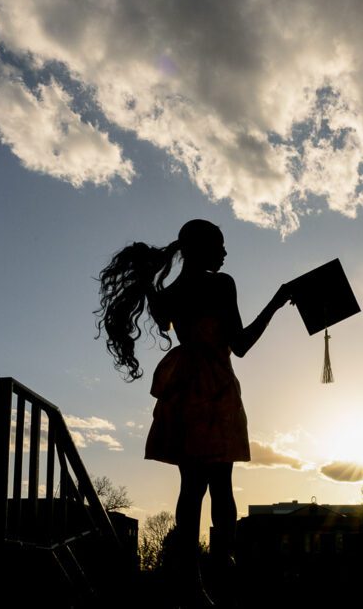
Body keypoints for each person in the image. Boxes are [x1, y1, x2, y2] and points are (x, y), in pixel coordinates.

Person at [95, 219, 292, 607]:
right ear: (200, 249)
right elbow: (241, 344)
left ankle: (192, 583)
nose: (224, 252)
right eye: (218, 245)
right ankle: (223, 572)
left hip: (184, 388)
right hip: (215, 388)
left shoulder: (169, 292)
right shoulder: (221, 284)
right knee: (222, 485)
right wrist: (277, 300)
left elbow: (164, 314)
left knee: (191, 489)